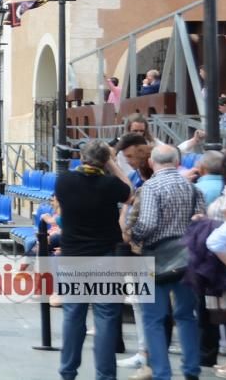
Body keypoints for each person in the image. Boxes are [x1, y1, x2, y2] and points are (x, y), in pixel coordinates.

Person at [54, 139, 132, 380]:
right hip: (104, 257)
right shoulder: (109, 184)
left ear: (81, 156)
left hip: (73, 256)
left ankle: (68, 371)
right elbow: (130, 192)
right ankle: (105, 375)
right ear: (104, 160)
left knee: (73, 314)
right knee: (106, 316)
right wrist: (112, 162)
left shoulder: (64, 181)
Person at [127, 144, 205, 380]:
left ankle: (162, 372)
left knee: (154, 318)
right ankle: (191, 368)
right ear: (177, 161)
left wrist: (134, 235)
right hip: (186, 258)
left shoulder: (151, 187)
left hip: (154, 256)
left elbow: (148, 223)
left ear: (152, 162)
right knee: (185, 315)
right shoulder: (192, 188)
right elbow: (200, 224)